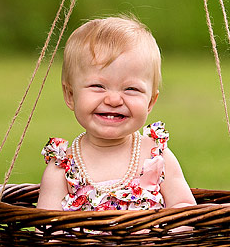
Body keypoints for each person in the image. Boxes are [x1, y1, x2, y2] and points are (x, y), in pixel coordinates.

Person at [36, 15, 196, 212]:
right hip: (82, 245)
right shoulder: (62, 167)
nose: (113, 100)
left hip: (150, 243)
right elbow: (47, 230)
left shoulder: (155, 156)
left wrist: (168, 236)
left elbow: (184, 208)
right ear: (70, 95)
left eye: (131, 89)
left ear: (150, 102)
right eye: (98, 86)